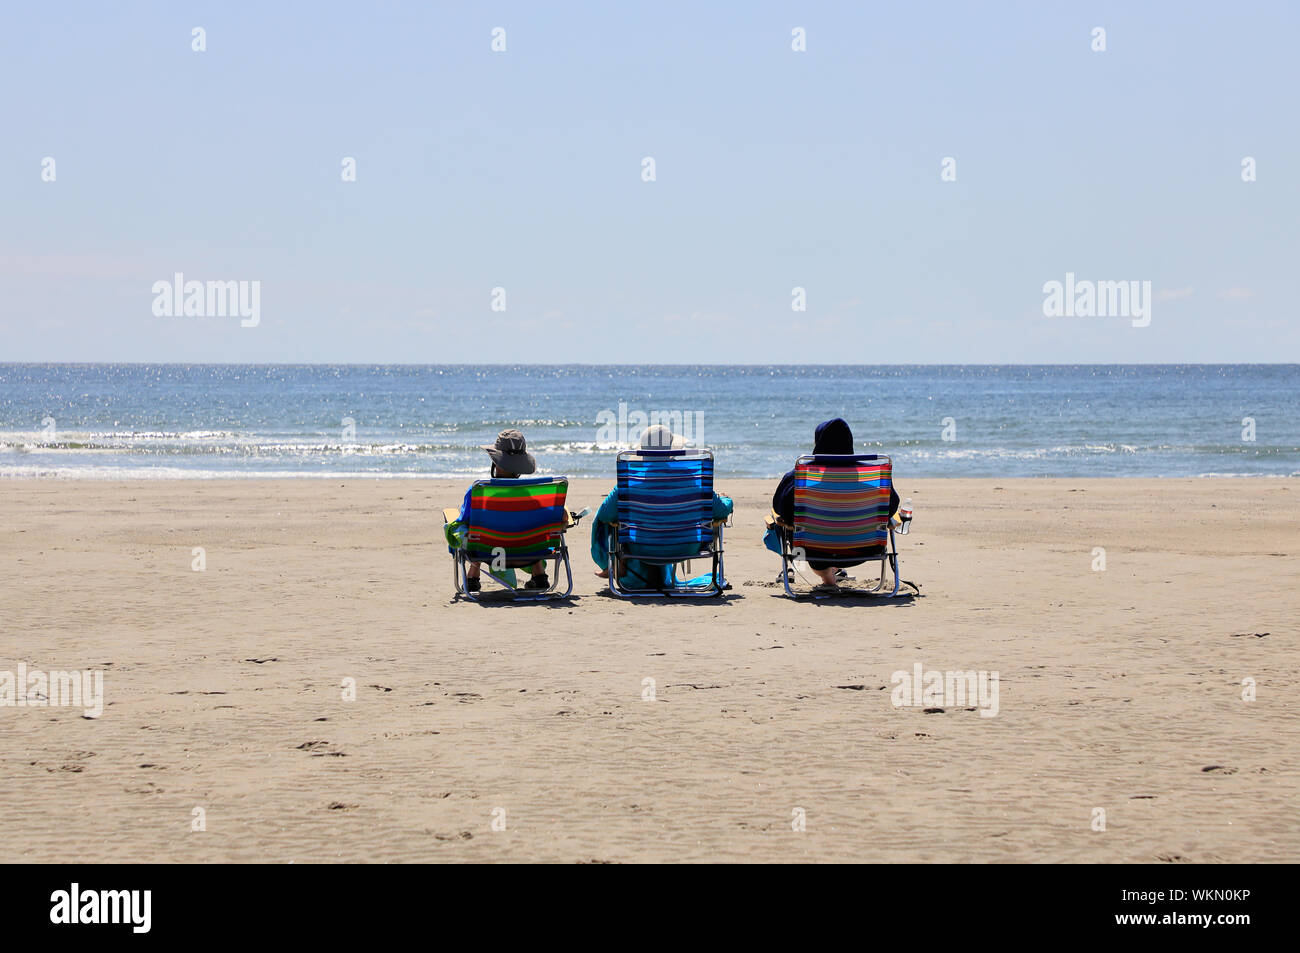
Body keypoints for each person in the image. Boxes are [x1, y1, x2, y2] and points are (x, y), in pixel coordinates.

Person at [590, 425, 733, 588]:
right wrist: (727, 500)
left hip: (641, 548)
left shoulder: (630, 482)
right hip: (686, 546)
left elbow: (605, 515)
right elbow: (720, 510)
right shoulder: (692, 479)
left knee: (611, 520)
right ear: (672, 451)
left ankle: (616, 565)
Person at [768, 418, 899, 587]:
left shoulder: (798, 476)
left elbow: (780, 509)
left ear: (818, 443)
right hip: (865, 549)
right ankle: (831, 572)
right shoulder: (876, 477)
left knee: (782, 522)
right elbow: (892, 507)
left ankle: (826, 577)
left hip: (811, 550)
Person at [445, 429, 550, 592]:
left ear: (496, 460)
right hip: (527, 552)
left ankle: (472, 576)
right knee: (532, 527)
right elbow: (548, 520)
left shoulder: (478, 491)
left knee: (471, 528)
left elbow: (464, 520)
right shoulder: (532, 496)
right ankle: (539, 575)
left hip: (489, 551)